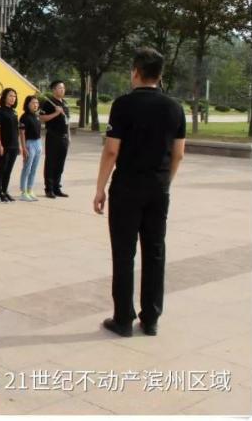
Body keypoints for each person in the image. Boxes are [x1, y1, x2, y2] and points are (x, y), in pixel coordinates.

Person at [94, 47, 186, 338]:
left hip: (127, 187)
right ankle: (151, 318)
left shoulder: (123, 105)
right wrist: (165, 182)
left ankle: (123, 319)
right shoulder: (175, 108)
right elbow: (179, 154)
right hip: (158, 188)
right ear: (159, 75)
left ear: (135, 71)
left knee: (124, 253)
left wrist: (100, 188)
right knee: (155, 251)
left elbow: (112, 150)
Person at [40, 80, 70, 198]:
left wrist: (69, 136)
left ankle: (57, 187)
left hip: (64, 137)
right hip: (53, 136)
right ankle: (49, 188)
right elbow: (42, 118)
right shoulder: (49, 103)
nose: (62, 90)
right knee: (51, 163)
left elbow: (67, 121)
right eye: (59, 88)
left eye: (63, 88)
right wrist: (56, 113)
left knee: (60, 163)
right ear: (54, 90)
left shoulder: (65, 103)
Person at [0, 88, 20, 203]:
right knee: (1, 169)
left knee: (8, 170)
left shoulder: (14, 111)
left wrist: (18, 145)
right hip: (4, 145)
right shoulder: (0, 111)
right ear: (4, 97)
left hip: (14, 145)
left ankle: (5, 190)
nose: (13, 98)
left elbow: (16, 130)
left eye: (14, 96)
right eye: (10, 96)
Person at [18, 94, 42, 202]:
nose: (35, 105)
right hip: (29, 144)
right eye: (33, 103)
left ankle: (30, 189)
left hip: (38, 143)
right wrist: (24, 148)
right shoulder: (24, 117)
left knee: (34, 169)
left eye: (37, 103)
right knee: (27, 168)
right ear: (27, 104)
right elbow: (22, 133)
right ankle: (23, 192)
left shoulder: (36, 116)